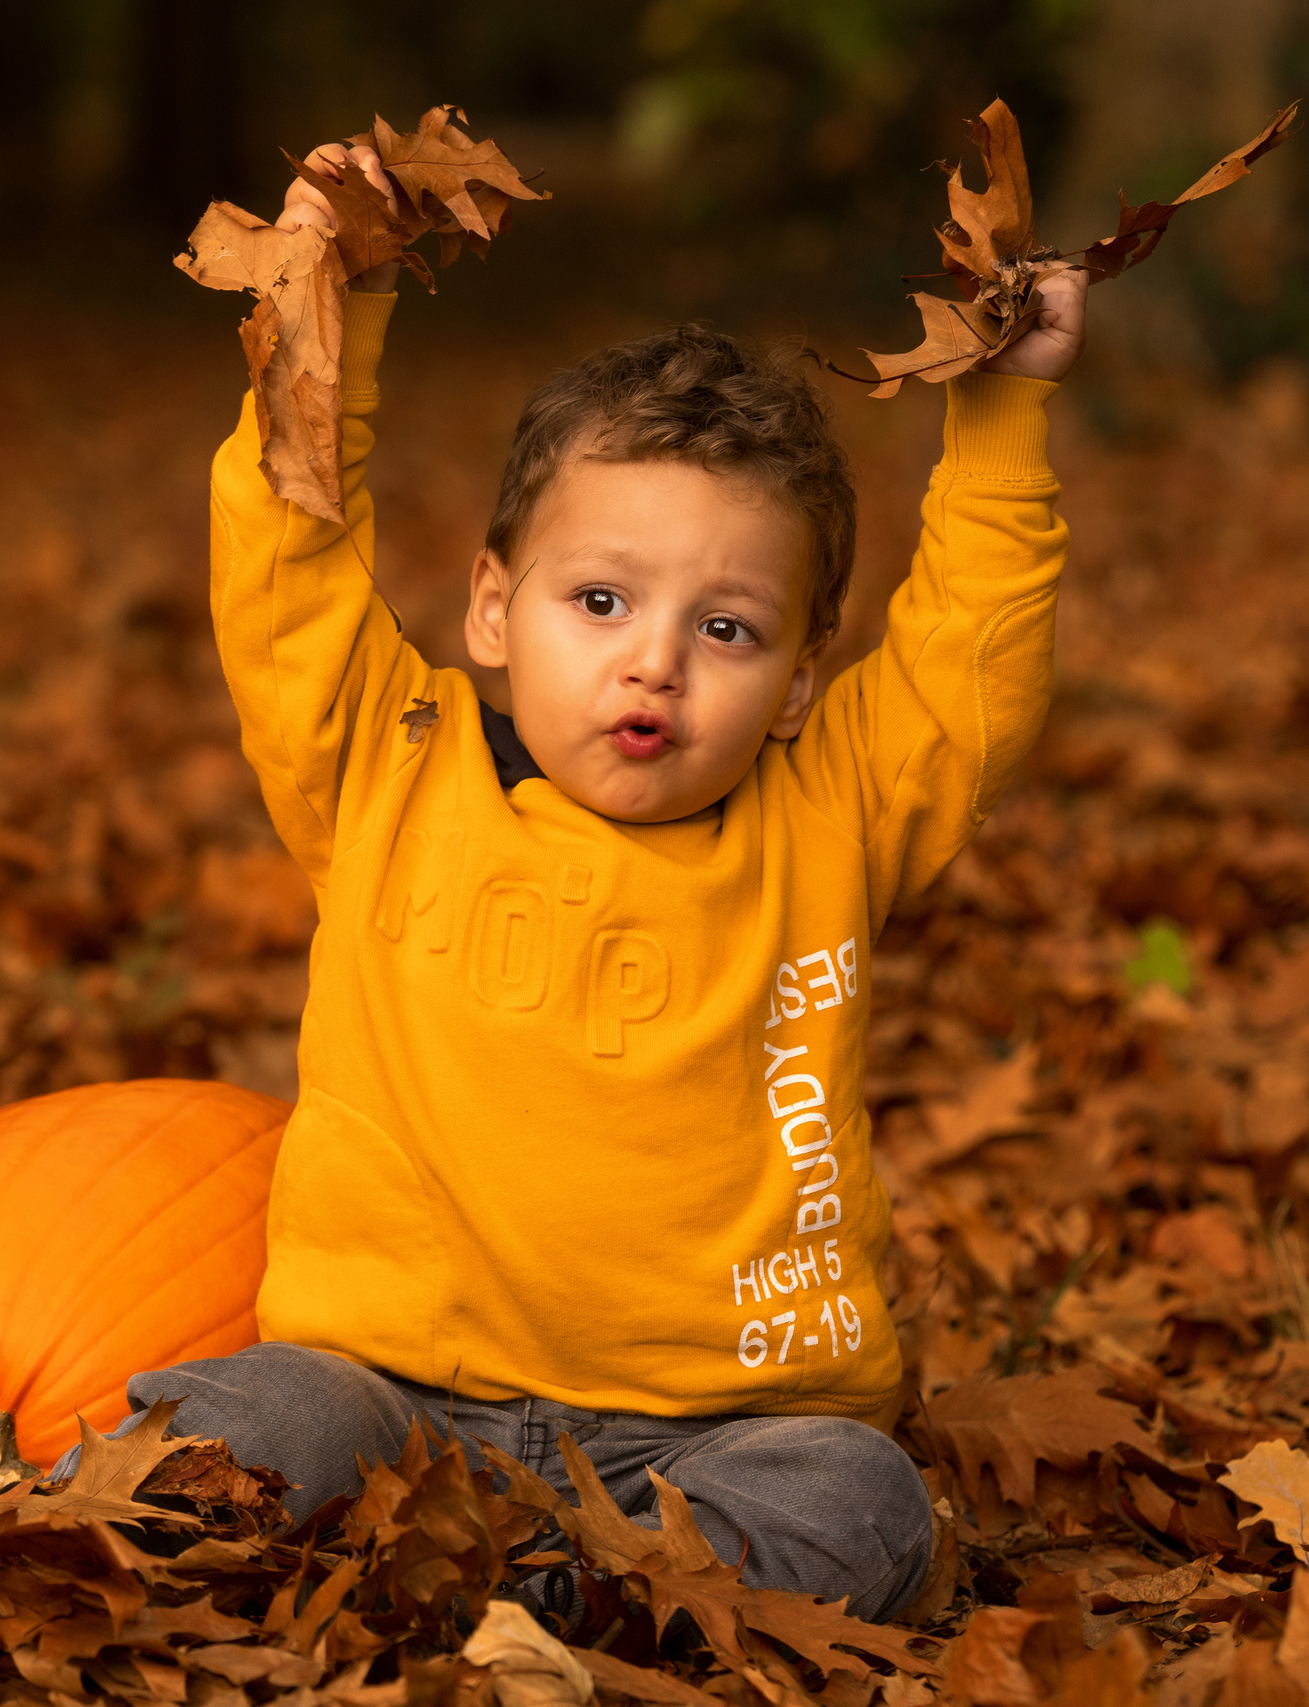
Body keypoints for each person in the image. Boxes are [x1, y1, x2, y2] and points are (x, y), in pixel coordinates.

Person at [86, 140, 1083, 1626]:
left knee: (864, 1508)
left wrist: (1000, 412)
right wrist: (322, 304)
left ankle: (565, 1600)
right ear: (495, 605)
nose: (654, 661)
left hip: (723, 1431)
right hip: (385, 1395)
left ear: (806, 675)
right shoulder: (389, 761)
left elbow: (968, 665)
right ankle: (54, 1551)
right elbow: (288, 564)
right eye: (600, 598)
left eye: (729, 629)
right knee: (233, 1432)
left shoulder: (832, 812)